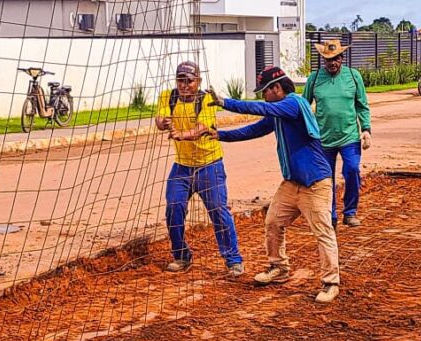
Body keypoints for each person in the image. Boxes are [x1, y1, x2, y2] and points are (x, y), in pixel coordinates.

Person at [209, 67, 340, 303]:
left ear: (277, 88)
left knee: (323, 233)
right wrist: (220, 135)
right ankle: (279, 267)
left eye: (264, 92)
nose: (262, 97)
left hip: (316, 182)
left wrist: (224, 102)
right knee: (273, 222)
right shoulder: (279, 113)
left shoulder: (293, 104)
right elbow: (254, 129)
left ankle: (330, 282)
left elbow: (262, 108)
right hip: (292, 183)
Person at [154, 61, 243, 277]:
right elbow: (159, 119)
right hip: (182, 166)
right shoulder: (168, 96)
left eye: (189, 81)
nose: (184, 85)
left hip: (209, 165)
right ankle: (182, 255)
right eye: (180, 80)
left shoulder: (206, 100)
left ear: (198, 81)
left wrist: (180, 135)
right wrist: (163, 122)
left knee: (218, 211)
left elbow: (202, 129)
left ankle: (233, 260)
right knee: (173, 207)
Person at [303, 39, 372, 228]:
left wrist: (366, 129)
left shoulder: (353, 76)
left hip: (349, 136)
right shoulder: (315, 79)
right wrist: (304, 130)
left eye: (336, 58)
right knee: (326, 179)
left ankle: (350, 212)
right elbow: (304, 106)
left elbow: (362, 105)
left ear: (342, 58)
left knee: (352, 170)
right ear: (323, 60)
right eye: (328, 59)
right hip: (323, 140)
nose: (332, 63)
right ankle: (330, 216)